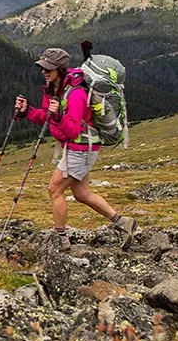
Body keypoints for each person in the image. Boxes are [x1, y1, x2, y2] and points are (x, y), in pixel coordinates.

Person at [15, 47, 140, 252]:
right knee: (82, 194)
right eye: (43, 68)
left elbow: (72, 129)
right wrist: (27, 111)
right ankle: (123, 222)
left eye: (49, 68)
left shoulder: (76, 94)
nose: (44, 72)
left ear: (61, 70)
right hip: (79, 147)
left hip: (80, 147)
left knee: (54, 189)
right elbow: (49, 117)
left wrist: (56, 116)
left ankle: (61, 240)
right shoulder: (54, 89)